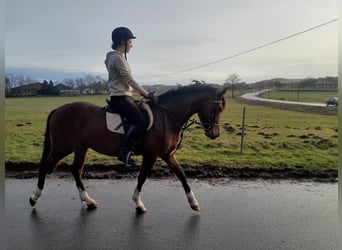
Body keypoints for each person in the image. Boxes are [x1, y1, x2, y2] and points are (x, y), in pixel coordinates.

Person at [105, 27, 154, 166]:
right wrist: (146, 93)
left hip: (124, 96)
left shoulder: (115, 57)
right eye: (130, 41)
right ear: (122, 41)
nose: (132, 45)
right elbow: (129, 79)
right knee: (140, 122)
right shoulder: (117, 58)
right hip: (120, 97)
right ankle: (124, 152)